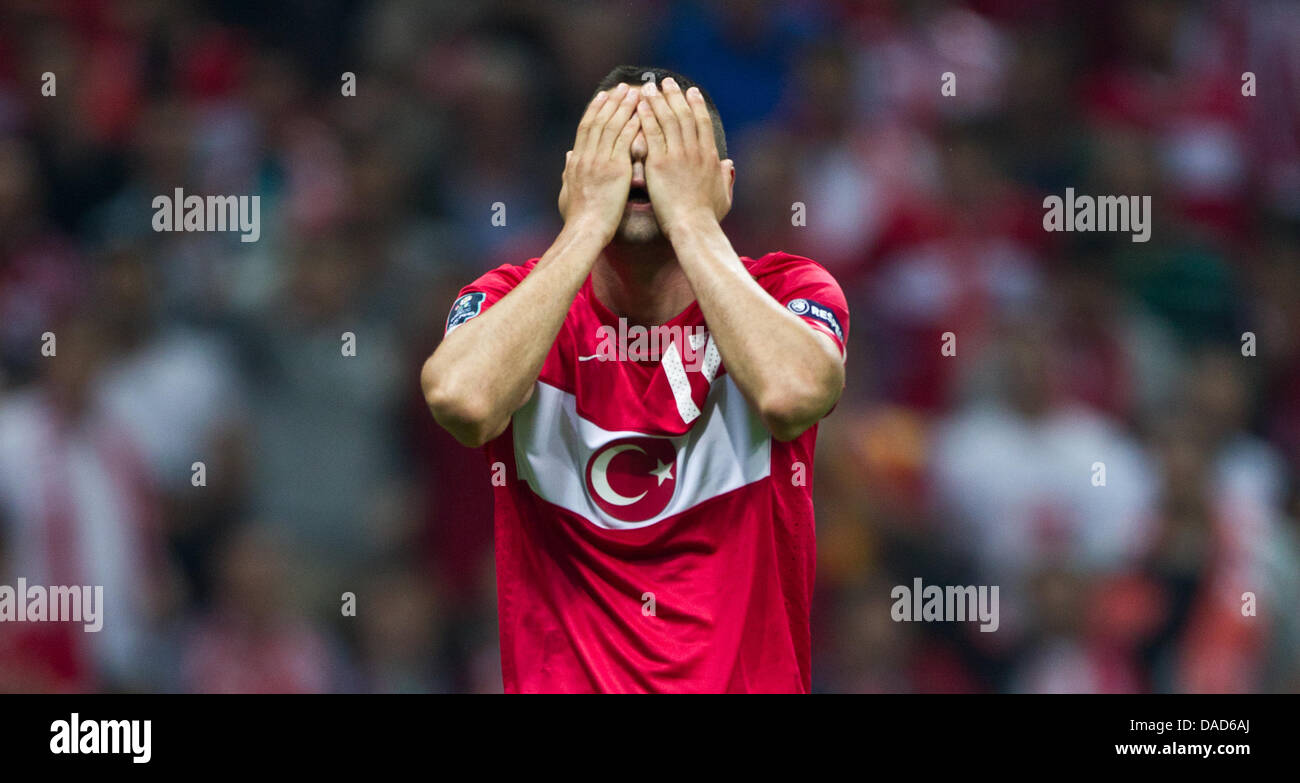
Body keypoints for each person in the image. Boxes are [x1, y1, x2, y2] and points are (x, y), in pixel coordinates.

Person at [420, 66, 849, 693]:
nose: (643, 170)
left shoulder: (789, 291)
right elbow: (463, 401)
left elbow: (793, 394)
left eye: (670, 154)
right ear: (577, 176)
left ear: (722, 184)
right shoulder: (513, 302)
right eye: (621, 153)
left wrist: (695, 222)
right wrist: (586, 225)